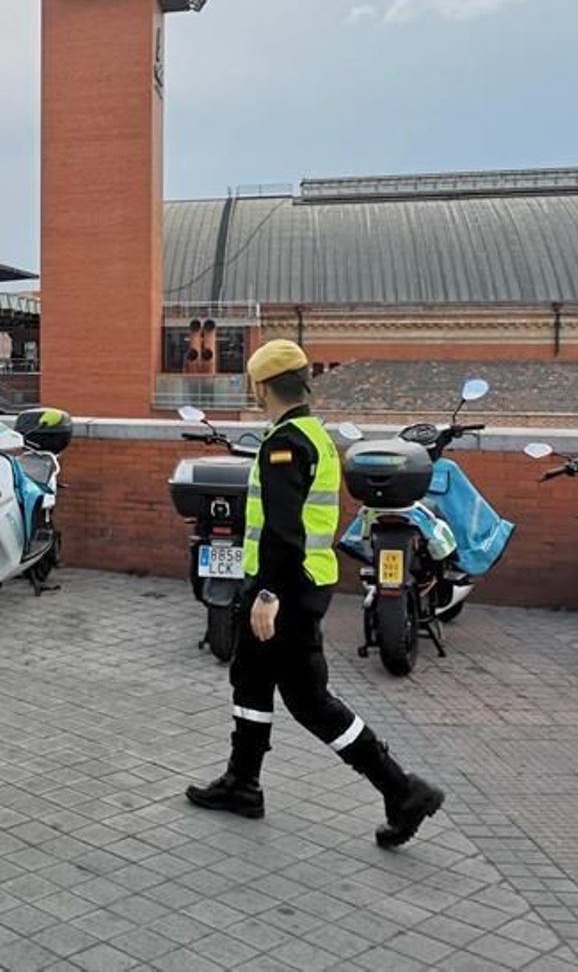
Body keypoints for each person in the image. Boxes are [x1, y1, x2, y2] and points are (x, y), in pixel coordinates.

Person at [186, 340, 445, 848]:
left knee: (309, 700)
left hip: (287, 588)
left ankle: (401, 789)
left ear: (261, 387)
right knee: (251, 679)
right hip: (297, 582)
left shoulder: (285, 444)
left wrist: (267, 596)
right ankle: (243, 782)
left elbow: (284, 529)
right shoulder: (312, 434)